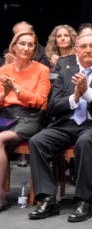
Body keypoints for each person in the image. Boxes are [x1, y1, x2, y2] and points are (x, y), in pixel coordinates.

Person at [27, 31, 92, 222]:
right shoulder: (66, 72)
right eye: (84, 46)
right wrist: (75, 98)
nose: (88, 50)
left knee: (85, 140)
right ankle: (47, 198)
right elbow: (52, 107)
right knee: (37, 141)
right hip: (66, 124)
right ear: (76, 50)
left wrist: (87, 93)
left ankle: (83, 202)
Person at [0, 30, 51, 211]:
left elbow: (39, 102)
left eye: (31, 45)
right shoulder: (4, 70)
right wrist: (5, 93)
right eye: (22, 43)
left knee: (0, 140)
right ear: (13, 46)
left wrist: (17, 90)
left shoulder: (42, 70)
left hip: (30, 117)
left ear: (35, 49)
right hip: (5, 115)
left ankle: (0, 197)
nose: (26, 48)